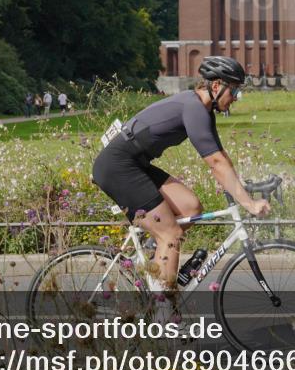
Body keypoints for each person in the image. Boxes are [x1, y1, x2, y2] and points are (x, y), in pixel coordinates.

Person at [91, 56, 271, 292]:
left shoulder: (203, 111)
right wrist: (248, 203)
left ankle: (155, 263)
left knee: (190, 207)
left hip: (134, 163)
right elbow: (215, 164)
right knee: (171, 233)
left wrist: (242, 188)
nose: (236, 97)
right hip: (118, 166)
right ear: (216, 86)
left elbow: (222, 158)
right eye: (234, 90)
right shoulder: (194, 108)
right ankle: (164, 313)